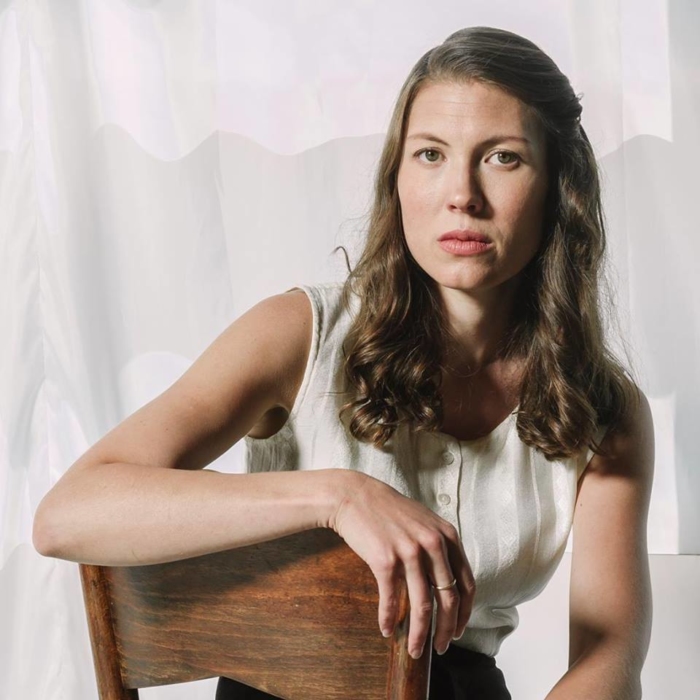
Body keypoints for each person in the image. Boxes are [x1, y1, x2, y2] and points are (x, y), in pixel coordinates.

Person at [32, 26, 654, 700]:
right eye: (430, 154)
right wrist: (338, 495)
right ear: (397, 177)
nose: (461, 194)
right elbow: (68, 515)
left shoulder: (603, 407)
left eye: (503, 157)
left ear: (559, 185)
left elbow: (610, 655)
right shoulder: (299, 332)